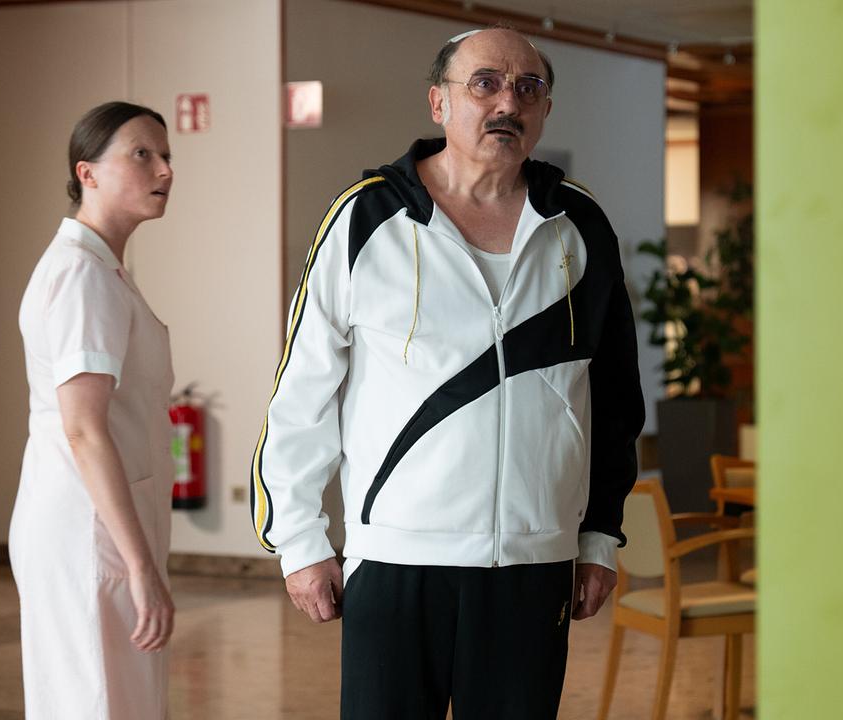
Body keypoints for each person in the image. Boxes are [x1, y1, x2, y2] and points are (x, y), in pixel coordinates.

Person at [250, 28, 645, 719]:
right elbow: (303, 390)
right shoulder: (365, 218)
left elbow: (614, 399)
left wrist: (598, 537)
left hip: (533, 563)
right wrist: (300, 540)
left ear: (545, 110)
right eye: (484, 83)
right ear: (438, 102)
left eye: (529, 88)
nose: (507, 104)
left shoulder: (579, 227)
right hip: (397, 560)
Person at [10, 101, 176, 719]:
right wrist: (140, 567)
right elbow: (83, 428)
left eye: (166, 156)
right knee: (97, 704)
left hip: (97, 524)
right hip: (88, 531)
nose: (163, 169)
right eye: (142, 154)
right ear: (88, 173)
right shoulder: (84, 274)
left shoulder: (100, 269)